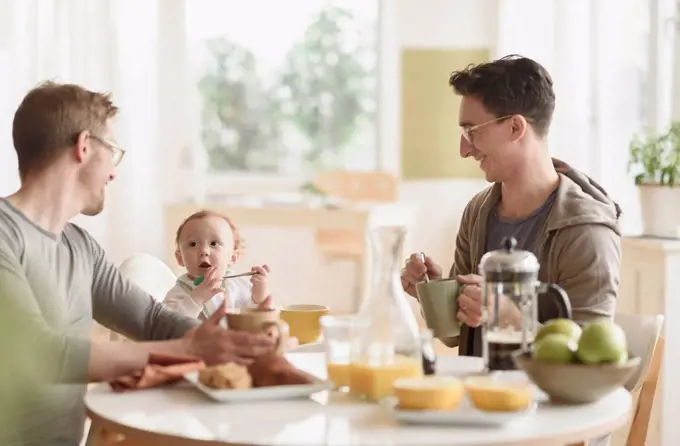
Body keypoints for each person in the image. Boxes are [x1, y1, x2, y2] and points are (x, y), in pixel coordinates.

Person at [0, 81, 276, 446]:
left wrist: (230, 342)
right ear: (84, 147)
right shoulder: (5, 235)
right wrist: (189, 350)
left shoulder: (79, 246)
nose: (114, 172)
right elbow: (43, 355)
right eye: (112, 152)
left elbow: (149, 320)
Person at [400, 55, 622, 358]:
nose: (464, 149)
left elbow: (591, 358)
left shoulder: (586, 231)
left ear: (516, 127)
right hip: (477, 397)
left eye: (471, 131)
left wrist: (509, 316)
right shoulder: (478, 212)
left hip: (544, 404)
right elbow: (457, 335)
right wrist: (433, 294)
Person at [165, 209, 272, 319]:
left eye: (214, 243)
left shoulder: (239, 286)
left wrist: (259, 296)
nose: (204, 251)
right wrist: (197, 298)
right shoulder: (180, 292)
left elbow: (255, 319)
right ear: (180, 258)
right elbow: (166, 325)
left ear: (233, 257)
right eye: (193, 244)